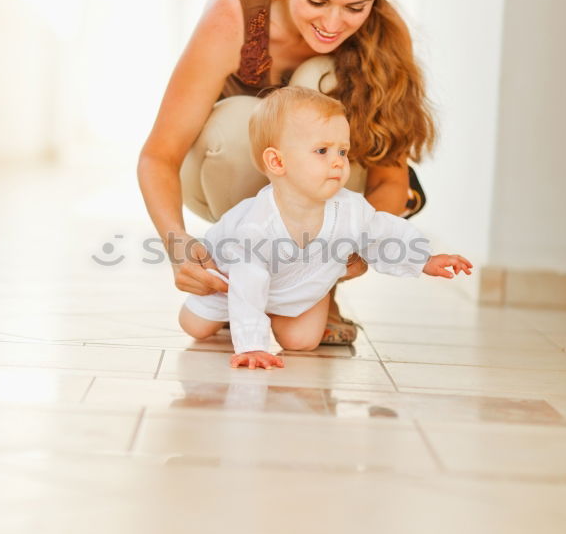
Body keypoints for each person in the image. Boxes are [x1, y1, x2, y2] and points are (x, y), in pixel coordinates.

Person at [137, 0, 437, 344]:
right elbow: (158, 156)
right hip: (220, 172)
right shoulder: (235, 11)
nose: (333, 23)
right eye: (316, 0)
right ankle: (248, 276)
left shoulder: (384, 34)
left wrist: (354, 252)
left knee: (319, 83)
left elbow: (388, 178)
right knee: (247, 119)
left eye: (356, 7)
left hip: (328, 211)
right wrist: (179, 247)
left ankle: (312, 289)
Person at [178, 87, 472, 370]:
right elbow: (248, 280)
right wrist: (252, 343)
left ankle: (280, 307)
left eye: (343, 151)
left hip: (297, 284)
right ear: (277, 161)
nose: (337, 162)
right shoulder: (257, 224)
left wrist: (424, 260)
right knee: (195, 325)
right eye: (322, 151)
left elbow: (383, 232)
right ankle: (246, 316)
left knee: (302, 341)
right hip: (231, 283)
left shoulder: (350, 208)